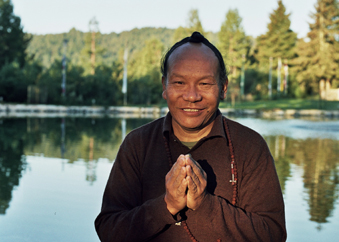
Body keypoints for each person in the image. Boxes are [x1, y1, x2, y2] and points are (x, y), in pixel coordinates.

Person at [95, 32, 286, 242]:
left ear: (223, 88)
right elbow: (108, 231)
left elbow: (272, 234)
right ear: (164, 87)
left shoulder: (250, 146)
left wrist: (205, 204)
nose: (192, 96)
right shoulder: (138, 144)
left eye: (204, 84)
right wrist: (166, 205)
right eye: (179, 83)